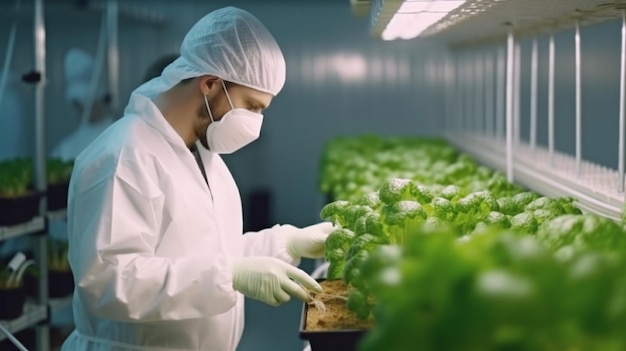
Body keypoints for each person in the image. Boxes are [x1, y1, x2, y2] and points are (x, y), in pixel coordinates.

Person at [60, 7, 334, 351]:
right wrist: (230, 277)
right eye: (251, 105)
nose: (255, 122)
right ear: (209, 84)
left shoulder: (202, 154)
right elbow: (109, 280)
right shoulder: (123, 157)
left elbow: (210, 253)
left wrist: (287, 243)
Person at [50, 47, 115, 162]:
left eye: (91, 102)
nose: (85, 109)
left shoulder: (117, 136)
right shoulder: (66, 148)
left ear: (103, 99)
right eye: (78, 104)